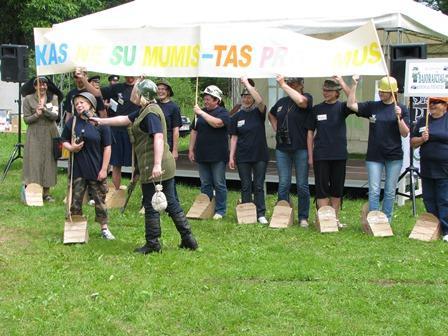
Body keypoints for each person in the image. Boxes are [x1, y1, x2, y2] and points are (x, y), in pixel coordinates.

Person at [91, 79, 198, 253]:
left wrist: (156, 165)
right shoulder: (145, 110)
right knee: (171, 202)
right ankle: (188, 239)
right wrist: (100, 121)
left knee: (150, 204)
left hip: (155, 164)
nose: (132, 93)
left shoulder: (150, 113)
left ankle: (153, 243)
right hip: (163, 163)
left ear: (143, 94)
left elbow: (158, 137)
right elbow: (124, 119)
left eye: (135, 91)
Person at [347, 76, 410, 223]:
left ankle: (386, 220)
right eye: (380, 90)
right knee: (374, 190)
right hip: (374, 156)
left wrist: (399, 117)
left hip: (394, 156)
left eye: (385, 91)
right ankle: (373, 220)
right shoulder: (372, 106)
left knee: (389, 191)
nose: (381, 93)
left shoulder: (402, 109)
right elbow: (351, 105)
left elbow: (405, 133)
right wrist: (354, 84)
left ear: (393, 93)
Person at [61, 92, 115, 240]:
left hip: (96, 168)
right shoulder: (72, 122)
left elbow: (107, 147)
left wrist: (104, 169)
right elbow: (63, 139)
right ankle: (76, 228)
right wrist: (71, 148)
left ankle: (104, 228)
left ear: (90, 104)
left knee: (100, 200)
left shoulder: (100, 123)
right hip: (78, 169)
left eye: (82, 102)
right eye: (76, 103)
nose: (78, 105)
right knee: (75, 200)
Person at [306, 77, 352, 227]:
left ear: (337, 92)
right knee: (322, 188)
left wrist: (342, 81)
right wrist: (310, 156)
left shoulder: (342, 107)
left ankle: (334, 219)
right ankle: (324, 220)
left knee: (336, 189)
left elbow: (353, 100)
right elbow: (310, 133)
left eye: (329, 90)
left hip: (339, 154)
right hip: (321, 154)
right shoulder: (317, 109)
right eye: (324, 90)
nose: (325, 93)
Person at [268, 76, 313, 227]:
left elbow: (301, 102)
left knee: (302, 185)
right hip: (282, 148)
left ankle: (303, 217)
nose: (290, 86)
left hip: (300, 148)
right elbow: (271, 114)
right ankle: (282, 215)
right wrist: (276, 128)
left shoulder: (307, 97)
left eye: (293, 83)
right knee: (283, 184)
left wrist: (282, 84)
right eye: (289, 84)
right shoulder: (281, 103)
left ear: (301, 85)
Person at [229, 77, 269, 224]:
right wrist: (231, 157)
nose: (246, 99)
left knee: (258, 185)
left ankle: (260, 213)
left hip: (259, 155)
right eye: (244, 96)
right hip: (242, 156)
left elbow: (260, 101)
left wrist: (247, 83)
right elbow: (234, 138)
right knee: (245, 185)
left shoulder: (259, 112)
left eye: (249, 96)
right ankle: (247, 213)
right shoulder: (237, 116)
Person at [189, 85, 230, 220]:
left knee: (219, 183)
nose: (205, 101)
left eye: (208, 99)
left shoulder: (223, 112)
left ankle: (220, 210)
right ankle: (206, 207)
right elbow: (194, 131)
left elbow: (217, 123)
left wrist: (201, 113)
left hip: (218, 154)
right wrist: (191, 149)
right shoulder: (199, 113)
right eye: (204, 99)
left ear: (216, 100)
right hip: (202, 153)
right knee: (205, 183)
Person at [411, 97, 448, 242]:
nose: (432, 105)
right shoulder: (423, 120)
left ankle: (446, 230)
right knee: (429, 198)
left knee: (443, 199)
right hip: (427, 166)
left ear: (445, 105)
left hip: (445, 167)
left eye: (436, 102)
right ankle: (434, 227)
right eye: (430, 102)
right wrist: (422, 139)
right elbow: (413, 142)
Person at [22, 76, 59, 202]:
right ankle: (33, 190)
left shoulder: (53, 98)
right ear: (35, 86)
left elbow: (55, 116)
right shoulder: (28, 99)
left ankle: (46, 193)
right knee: (33, 161)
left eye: (45, 84)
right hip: (34, 133)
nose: (42, 87)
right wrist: (36, 115)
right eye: (40, 84)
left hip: (50, 132)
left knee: (48, 161)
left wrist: (45, 111)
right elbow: (26, 120)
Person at [101, 76, 140, 190]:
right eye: (128, 74)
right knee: (116, 164)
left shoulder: (142, 88)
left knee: (138, 163)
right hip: (117, 129)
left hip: (135, 129)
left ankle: (134, 190)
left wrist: (139, 82)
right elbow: (97, 94)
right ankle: (117, 191)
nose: (130, 77)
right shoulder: (116, 87)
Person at [156, 79, 182, 160]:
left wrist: (175, 150)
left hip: (167, 143)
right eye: (158, 89)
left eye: (163, 89)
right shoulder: (153, 104)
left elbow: (176, 130)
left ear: (168, 91)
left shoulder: (174, 107)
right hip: (153, 142)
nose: (160, 91)